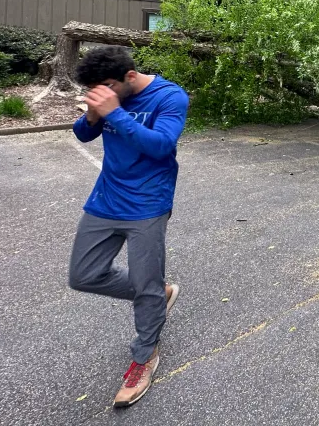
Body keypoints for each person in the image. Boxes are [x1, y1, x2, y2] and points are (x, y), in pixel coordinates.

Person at [67, 45, 189, 407]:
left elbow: (161, 145)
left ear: (129, 77)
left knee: (144, 281)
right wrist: (92, 115)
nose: (100, 94)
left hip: (148, 205)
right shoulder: (106, 98)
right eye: (93, 90)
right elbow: (84, 135)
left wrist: (113, 113)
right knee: (83, 275)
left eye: (105, 87)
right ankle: (157, 293)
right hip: (105, 200)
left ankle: (144, 357)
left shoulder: (170, 97)